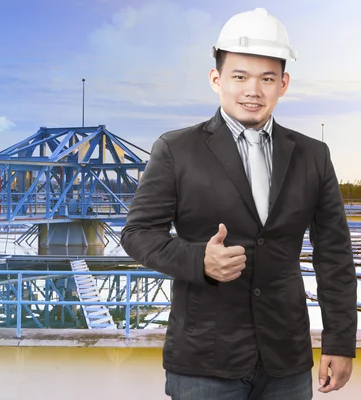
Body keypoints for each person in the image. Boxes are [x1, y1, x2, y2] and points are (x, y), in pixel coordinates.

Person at [120, 7, 357, 399]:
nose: (253, 90)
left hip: (286, 360)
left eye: (267, 78)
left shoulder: (313, 155)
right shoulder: (176, 149)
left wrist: (339, 341)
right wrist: (199, 260)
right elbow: (138, 234)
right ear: (216, 79)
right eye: (240, 76)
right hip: (204, 361)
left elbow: (333, 254)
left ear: (284, 83)